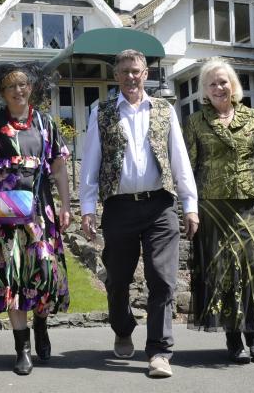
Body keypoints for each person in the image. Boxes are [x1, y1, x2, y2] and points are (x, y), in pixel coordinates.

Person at [79, 49, 199, 379]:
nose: (131, 77)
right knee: (118, 279)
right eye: (125, 71)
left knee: (162, 278)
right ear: (116, 76)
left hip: (160, 205)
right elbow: (90, 161)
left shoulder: (164, 110)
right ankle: (122, 326)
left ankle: (160, 350)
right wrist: (87, 208)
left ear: (146, 73)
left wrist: (190, 205)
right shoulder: (101, 112)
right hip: (118, 208)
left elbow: (180, 160)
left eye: (137, 71)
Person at [0, 62, 71, 376]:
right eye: (11, 86)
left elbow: (59, 167)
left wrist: (66, 204)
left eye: (23, 84)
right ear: (2, 92)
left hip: (39, 211)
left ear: (32, 88)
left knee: (42, 274)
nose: (18, 90)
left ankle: (41, 325)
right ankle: (22, 348)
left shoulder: (45, 123)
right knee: (10, 277)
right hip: (2, 215)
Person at [184, 57, 254, 364]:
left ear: (233, 85)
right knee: (223, 270)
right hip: (213, 204)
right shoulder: (195, 122)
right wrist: (189, 207)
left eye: (223, 81)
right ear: (205, 89)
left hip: (251, 201)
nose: (218, 87)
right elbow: (188, 167)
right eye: (212, 83)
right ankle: (232, 336)